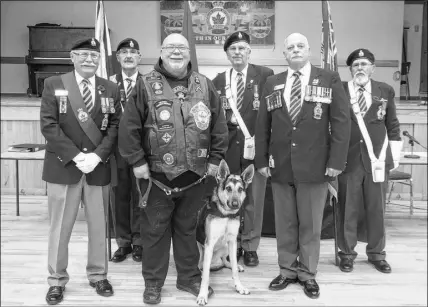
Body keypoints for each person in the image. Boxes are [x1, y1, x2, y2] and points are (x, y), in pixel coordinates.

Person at [118, 33, 228, 304]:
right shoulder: (145, 84)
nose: (176, 52)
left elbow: (219, 125)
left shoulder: (204, 84)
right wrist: (137, 161)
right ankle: (153, 283)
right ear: (162, 52)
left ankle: (188, 278)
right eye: (171, 48)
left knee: (188, 229)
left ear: (189, 53)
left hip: (196, 175)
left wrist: (215, 160)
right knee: (154, 231)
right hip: (156, 176)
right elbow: (129, 127)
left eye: (181, 47)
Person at [255, 33, 350, 299]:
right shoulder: (272, 82)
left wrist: (336, 162)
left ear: (309, 50)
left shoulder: (328, 79)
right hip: (281, 165)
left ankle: (307, 273)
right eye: (290, 47)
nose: (295, 50)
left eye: (300, 46)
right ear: (284, 54)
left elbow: (342, 123)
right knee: (285, 223)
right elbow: (263, 125)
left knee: (310, 224)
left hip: (316, 166)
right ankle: (286, 270)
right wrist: (261, 160)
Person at [40, 37, 120, 305]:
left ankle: (98, 275)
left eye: (94, 56)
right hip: (64, 167)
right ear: (72, 57)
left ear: (100, 60)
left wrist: (97, 156)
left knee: (99, 227)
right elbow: (49, 126)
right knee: (60, 228)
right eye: (83, 55)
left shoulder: (110, 88)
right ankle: (57, 280)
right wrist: (76, 156)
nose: (89, 60)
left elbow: (115, 127)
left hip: (98, 168)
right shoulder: (54, 84)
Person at [337, 48, 402, 274]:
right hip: (348, 161)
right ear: (350, 69)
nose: (360, 68)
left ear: (372, 68)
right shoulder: (341, 91)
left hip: (378, 162)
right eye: (356, 65)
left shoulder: (385, 91)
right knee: (348, 209)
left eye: (364, 64)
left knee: (377, 210)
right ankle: (346, 254)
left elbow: (392, 125)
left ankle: (377, 254)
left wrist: (392, 159)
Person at [212, 31, 274, 267]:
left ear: (249, 51)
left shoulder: (266, 76)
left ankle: (250, 246)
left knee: (253, 202)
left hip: (255, 151)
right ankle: (232, 245)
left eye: (241, 48)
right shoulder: (218, 80)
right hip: (228, 152)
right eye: (232, 49)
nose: (237, 52)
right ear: (227, 53)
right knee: (229, 200)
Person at [109, 38, 143, 263]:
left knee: (141, 197)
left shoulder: (150, 82)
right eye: (124, 52)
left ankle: (140, 242)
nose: (129, 56)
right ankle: (123, 242)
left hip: (141, 151)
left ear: (139, 57)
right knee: (119, 197)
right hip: (115, 151)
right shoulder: (108, 84)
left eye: (133, 52)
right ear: (118, 58)